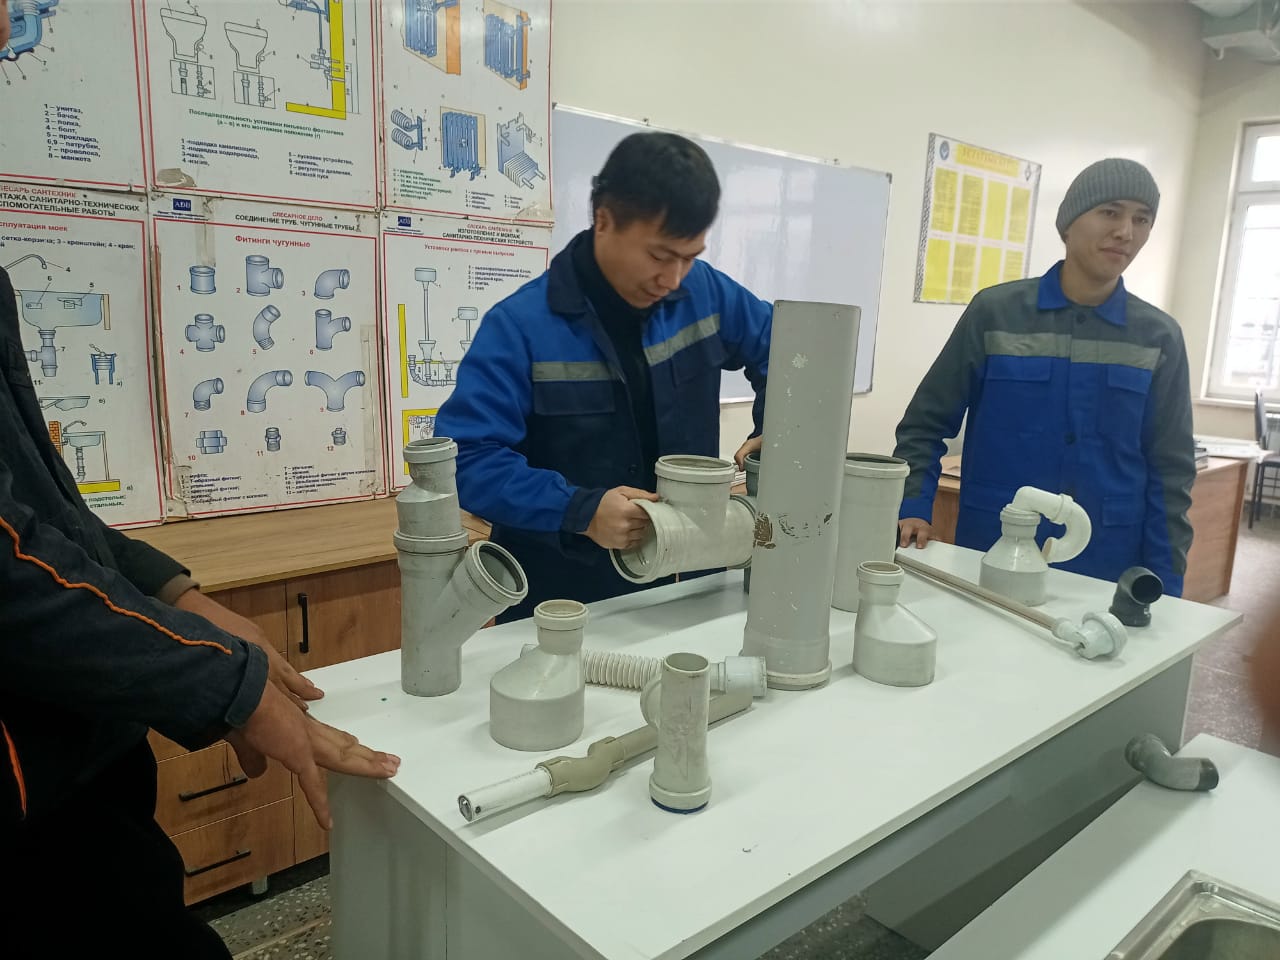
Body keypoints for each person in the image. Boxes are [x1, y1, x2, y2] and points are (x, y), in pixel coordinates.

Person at [0, 261, 400, 950]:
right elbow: (13, 570)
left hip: (85, 759)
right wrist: (226, 682)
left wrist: (178, 593)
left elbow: (46, 509)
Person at [436, 131, 773, 622]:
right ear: (604, 220)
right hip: (563, 599)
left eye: (690, 256)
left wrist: (776, 425)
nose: (674, 279)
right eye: (659, 256)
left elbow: (789, 353)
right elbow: (467, 460)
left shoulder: (708, 295)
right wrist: (580, 510)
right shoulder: (520, 327)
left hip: (691, 581)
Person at [893, 158, 1196, 596]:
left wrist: (1165, 583)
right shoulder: (995, 314)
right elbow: (924, 424)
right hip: (994, 546)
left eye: (1142, 219)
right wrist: (913, 505)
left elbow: (1172, 471)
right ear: (1069, 224)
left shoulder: (1158, 337)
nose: (1126, 232)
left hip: (1106, 560)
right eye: (1110, 212)